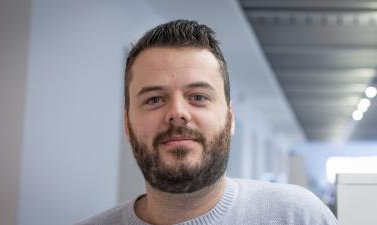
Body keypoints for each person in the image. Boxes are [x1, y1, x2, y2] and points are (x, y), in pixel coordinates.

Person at [77, 20, 337, 225]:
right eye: (155, 99)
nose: (177, 113)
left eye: (198, 97)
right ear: (127, 123)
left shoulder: (297, 216)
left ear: (230, 118)